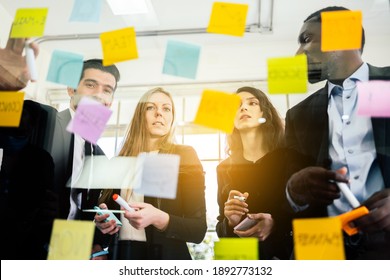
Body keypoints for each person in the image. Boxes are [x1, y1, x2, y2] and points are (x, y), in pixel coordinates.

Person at [284, 6, 390, 259]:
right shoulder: (298, 115)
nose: (298, 53)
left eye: (306, 40)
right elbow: (291, 192)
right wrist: (294, 190)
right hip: (321, 249)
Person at [94, 87, 207, 260]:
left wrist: (159, 218)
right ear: (140, 115)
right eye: (151, 107)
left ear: (171, 118)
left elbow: (198, 230)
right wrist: (102, 226)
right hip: (121, 257)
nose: (159, 113)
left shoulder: (184, 155)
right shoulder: (119, 162)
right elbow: (106, 228)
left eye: (166, 108)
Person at [216, 86, 300, 260]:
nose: (243, 108)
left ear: (264, 113)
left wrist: (276, 223)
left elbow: (311, 215)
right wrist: (231, 221)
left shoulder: (291, 158)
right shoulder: (224, 168)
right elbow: (221, 231)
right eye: (236, 106)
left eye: (252, 103)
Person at [48, 58, 121, 258]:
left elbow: (83, 210)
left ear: (110, 101)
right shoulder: (44, 121)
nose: (99, 94)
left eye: (107, 90)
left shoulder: (98, 156)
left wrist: (101, 223)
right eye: (90, 85)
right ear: (71, 89)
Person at [1, 100, 58, 259]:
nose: (18, 119)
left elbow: (44, 203)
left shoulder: (40, 159)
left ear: (32, 125)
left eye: (24, 115)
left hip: (25, 239)